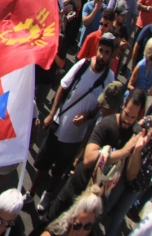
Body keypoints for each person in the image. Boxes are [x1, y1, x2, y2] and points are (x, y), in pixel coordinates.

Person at [27, 33, 116, 212]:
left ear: (111, 55)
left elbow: (102, 107)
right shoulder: (82, 65)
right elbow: (63, 86)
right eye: (101, 50)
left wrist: (88, 115)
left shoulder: (109, 78)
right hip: (59, 124)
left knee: (59, 169)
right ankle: (31, 192)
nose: (102, 55)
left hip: (77, 136)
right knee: (43, 163)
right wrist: (52, 114)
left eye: (107, 52)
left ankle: (48, 194)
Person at [44, 88, 147, 222]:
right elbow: (88, 159)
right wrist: (123, 153)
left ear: (140, 115)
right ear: (124, 104)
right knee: (50, 221)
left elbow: (131, 175)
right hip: (78, 187)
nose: (128, 120)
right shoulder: (107, 124)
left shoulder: (135, 134)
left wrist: (137, 151)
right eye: (126, 114)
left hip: (95, 201)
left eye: (133, 117)